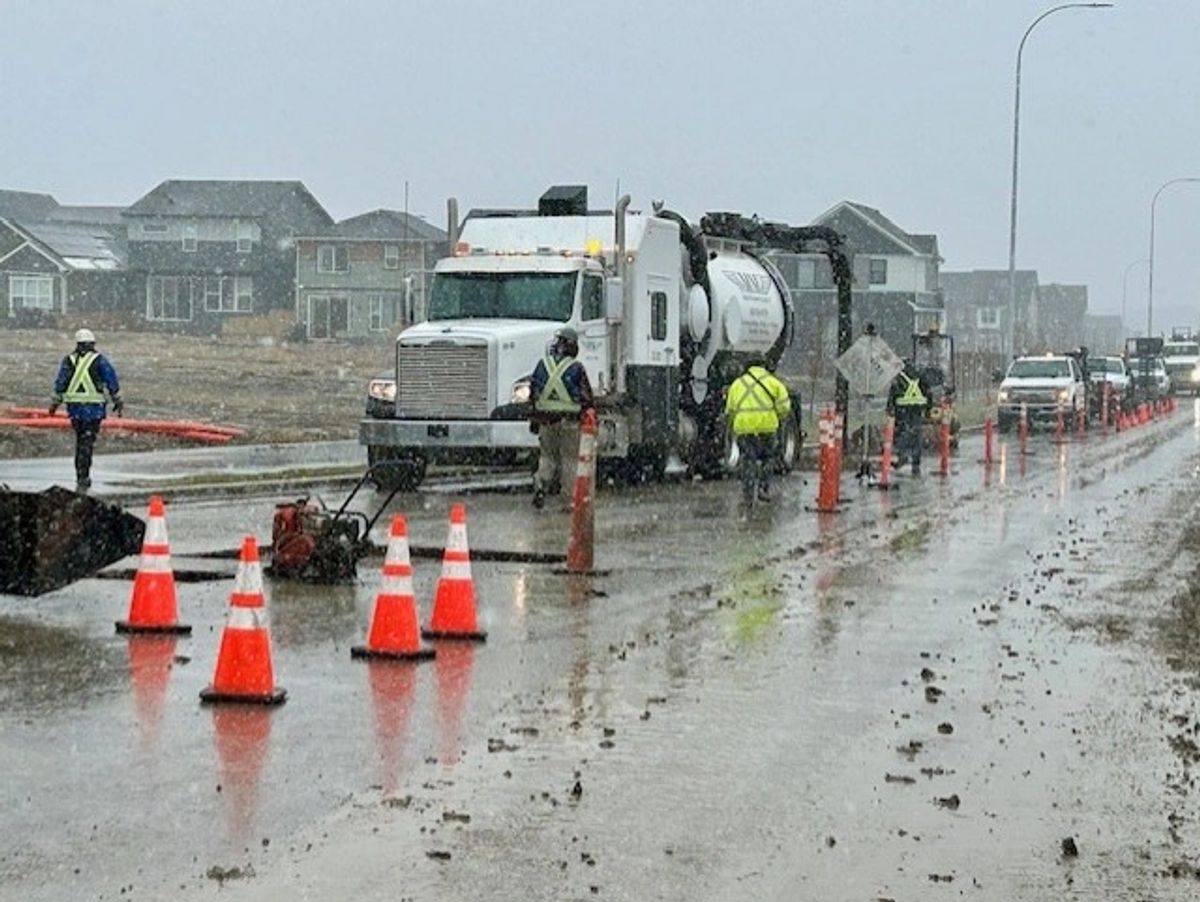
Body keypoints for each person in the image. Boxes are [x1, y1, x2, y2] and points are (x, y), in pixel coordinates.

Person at [50, 328, 124, 490]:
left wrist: (55, 403)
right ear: (93, 343)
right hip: (94, 411)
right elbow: (111, 380)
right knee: (87, 443)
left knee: (80, 442)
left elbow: (61, 382)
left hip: (76, 411)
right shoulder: (100, 360)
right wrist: (117, 400)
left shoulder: (69, 360)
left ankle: (81, 474)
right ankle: (84, 475)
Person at [529, 327, 594, 509]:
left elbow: (533, 394)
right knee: (569, 461)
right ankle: (567, 501)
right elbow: (586, 398)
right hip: (570, 423)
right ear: (572, 346)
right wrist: (587, 413)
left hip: (546, 422)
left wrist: (535, 420)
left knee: (548, 458)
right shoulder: (576, 368)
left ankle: (540, 483)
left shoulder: (542, 364)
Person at [724, 354, 791, 504]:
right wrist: (777, 416)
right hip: (767, 427)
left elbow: (730, 410)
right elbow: (785, 408)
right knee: (769, 458)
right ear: (764, 366)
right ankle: (763, 488)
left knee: (748, 460)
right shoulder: (774, 383)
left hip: (745, 429)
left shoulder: (737, 384)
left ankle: (748, 494)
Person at [887, 358, 931, 475]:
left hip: (902, 410)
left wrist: (890, 409)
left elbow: (893, 393)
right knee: (916, 436)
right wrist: (928, 409)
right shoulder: (919, 376)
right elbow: (928, 392)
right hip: (916, 409)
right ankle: (915, 463)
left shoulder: (899, 377)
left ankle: (902, 456)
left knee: (903, 433)